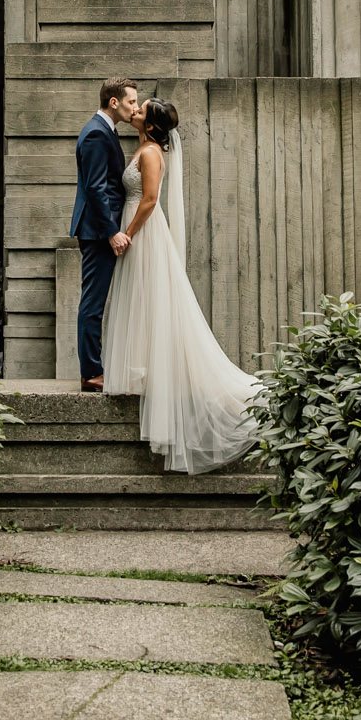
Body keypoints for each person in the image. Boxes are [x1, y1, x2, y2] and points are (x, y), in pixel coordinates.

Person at [99, 96, 260, 474]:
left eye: (141, 109)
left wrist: (127, 234)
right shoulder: (142, 147)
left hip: (145, 232)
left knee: (153, 298)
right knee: (140, 299)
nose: (135, 111)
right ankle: (143, 370)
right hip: (135, 229)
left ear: (151, 125)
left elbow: (151, 199)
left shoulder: (152, 153)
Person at [70, 78, 140, 392]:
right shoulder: (97, 133)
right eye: (131, 102)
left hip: (100, 229)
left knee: (95, 301)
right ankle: (91, 373)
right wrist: (112, 231)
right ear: (114, 102)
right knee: (93, 303)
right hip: (99, 231)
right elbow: (96, 189)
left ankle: (94, 369)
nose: (135, 108)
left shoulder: (103, 130)